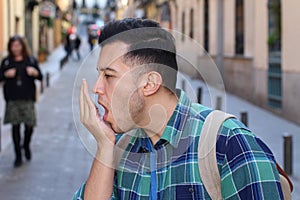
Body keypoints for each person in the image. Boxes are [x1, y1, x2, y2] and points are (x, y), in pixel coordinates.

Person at [73, 18, 283, 199]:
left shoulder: (229, 143)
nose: (96, 88)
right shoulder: (122, 148)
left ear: (149, 83)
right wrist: (104, 146)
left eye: (109, 76)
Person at [0, 35, 43, 167]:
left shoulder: (30, 60)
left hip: (27, 99)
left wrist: (35, 72)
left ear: (23, 46)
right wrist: (5, 75)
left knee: (29, 126)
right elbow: (0, 76)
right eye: (13, 46)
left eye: (18, 45)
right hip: (12, 99)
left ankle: (26, 145)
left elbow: (40, 76)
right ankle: (18, 155)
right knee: (15, 127)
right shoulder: (6, 61)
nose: (15, 48)